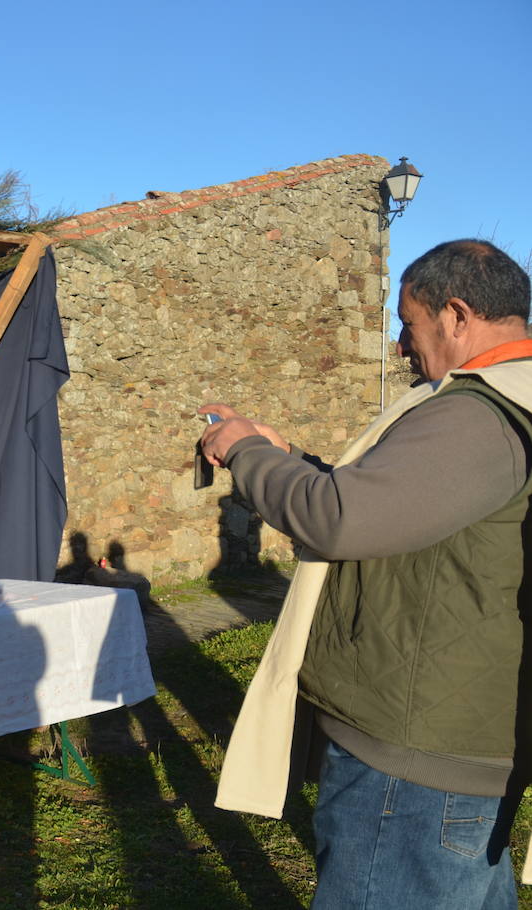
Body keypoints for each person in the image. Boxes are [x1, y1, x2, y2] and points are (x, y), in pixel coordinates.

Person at [201, 239, 532, 909]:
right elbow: (396, 506)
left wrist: (242, 451)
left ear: (457, 315)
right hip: (452, 745)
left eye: (408, 323)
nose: (400, 344)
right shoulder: (503, 400)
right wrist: (289, 455)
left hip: (415, 763)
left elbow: (338, 519)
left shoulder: (477, 415)